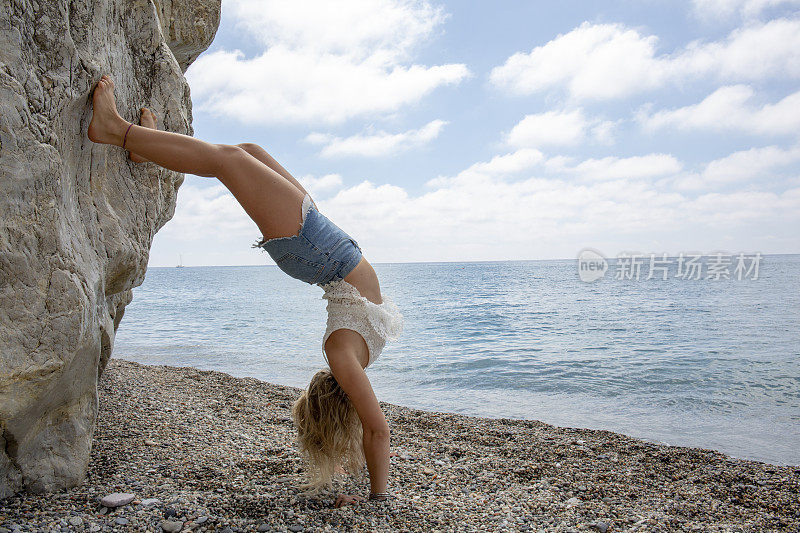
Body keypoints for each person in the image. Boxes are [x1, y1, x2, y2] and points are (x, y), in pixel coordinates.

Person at [87, 75, 403, 507]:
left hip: (312, 247)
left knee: (230, 161)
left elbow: (378, 429)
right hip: (323, 242)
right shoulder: (355, 362)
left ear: (343, 394)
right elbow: (374, 431)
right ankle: (148, 147)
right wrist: (373, 488)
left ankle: (115, 130)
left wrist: (378, 499)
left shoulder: (342, 356)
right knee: (251, 151)